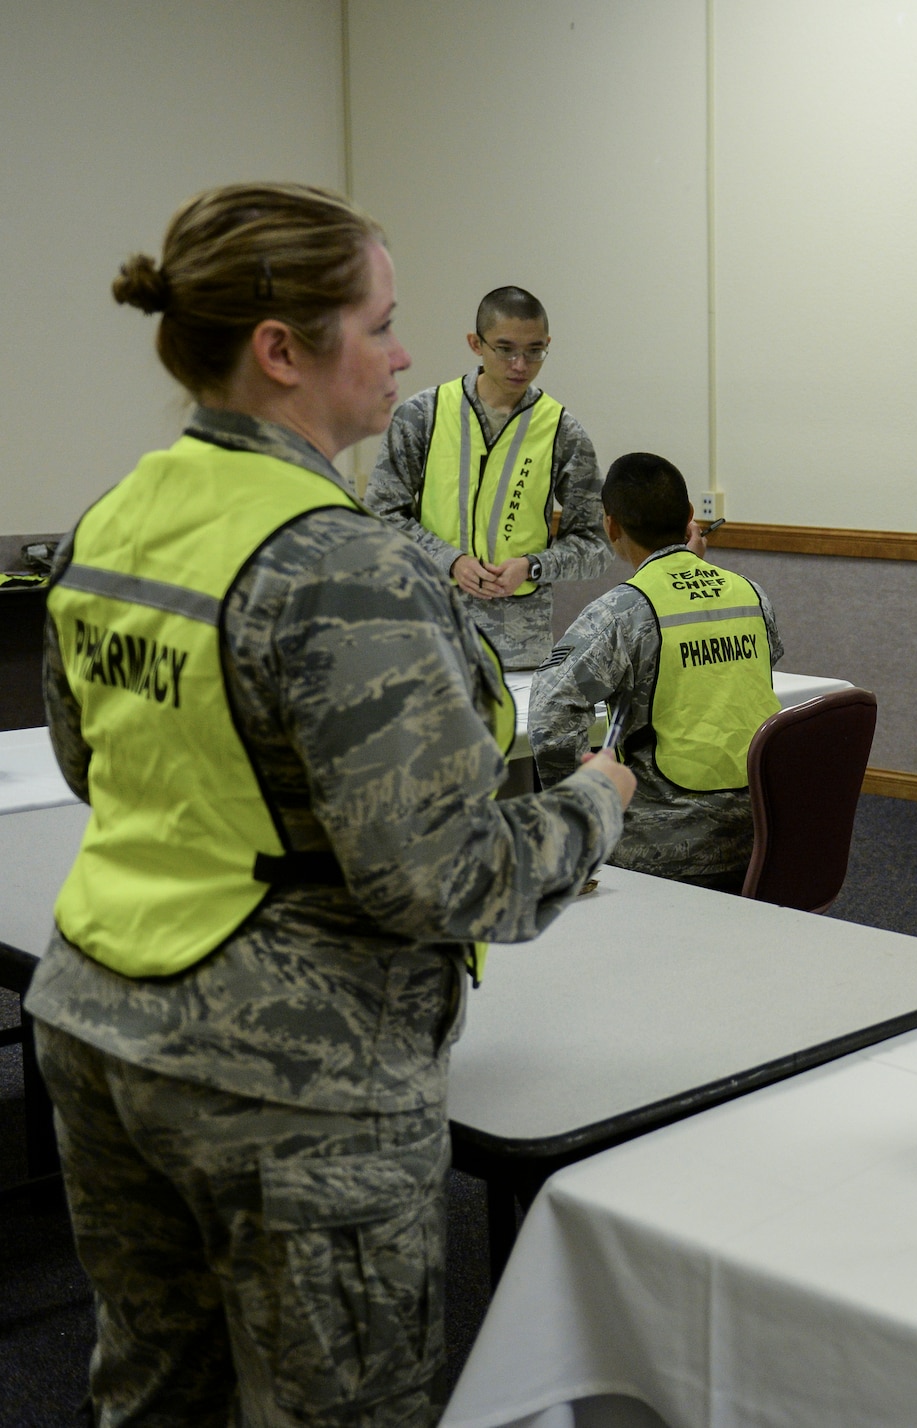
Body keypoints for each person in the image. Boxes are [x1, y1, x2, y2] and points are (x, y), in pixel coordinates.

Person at [30, 183, 636, 1426]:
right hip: (291, 1082)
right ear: (282, 351)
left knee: (154, 1389)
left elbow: (95, 768)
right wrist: (596, 804)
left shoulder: (114, 519)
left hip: (95, 1026)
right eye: (380, 321)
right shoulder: (344, 565)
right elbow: (443, 878)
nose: (406, 351)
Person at [531, 452, 782, 891]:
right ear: (689, 517)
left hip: (664, 847)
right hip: (763, 831)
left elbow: (549, 716)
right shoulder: (751, 594)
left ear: (611, 526)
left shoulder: (620, 612)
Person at [364, 285, 610, 669]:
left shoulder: (561, 430)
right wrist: (450, 561)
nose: (520, 364)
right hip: (428, 632)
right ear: (475, 344)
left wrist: (532, 566)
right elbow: (380, 517)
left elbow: (594, 548)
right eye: (505, 349)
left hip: (519, 647)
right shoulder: (423, 416)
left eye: (534, 351)